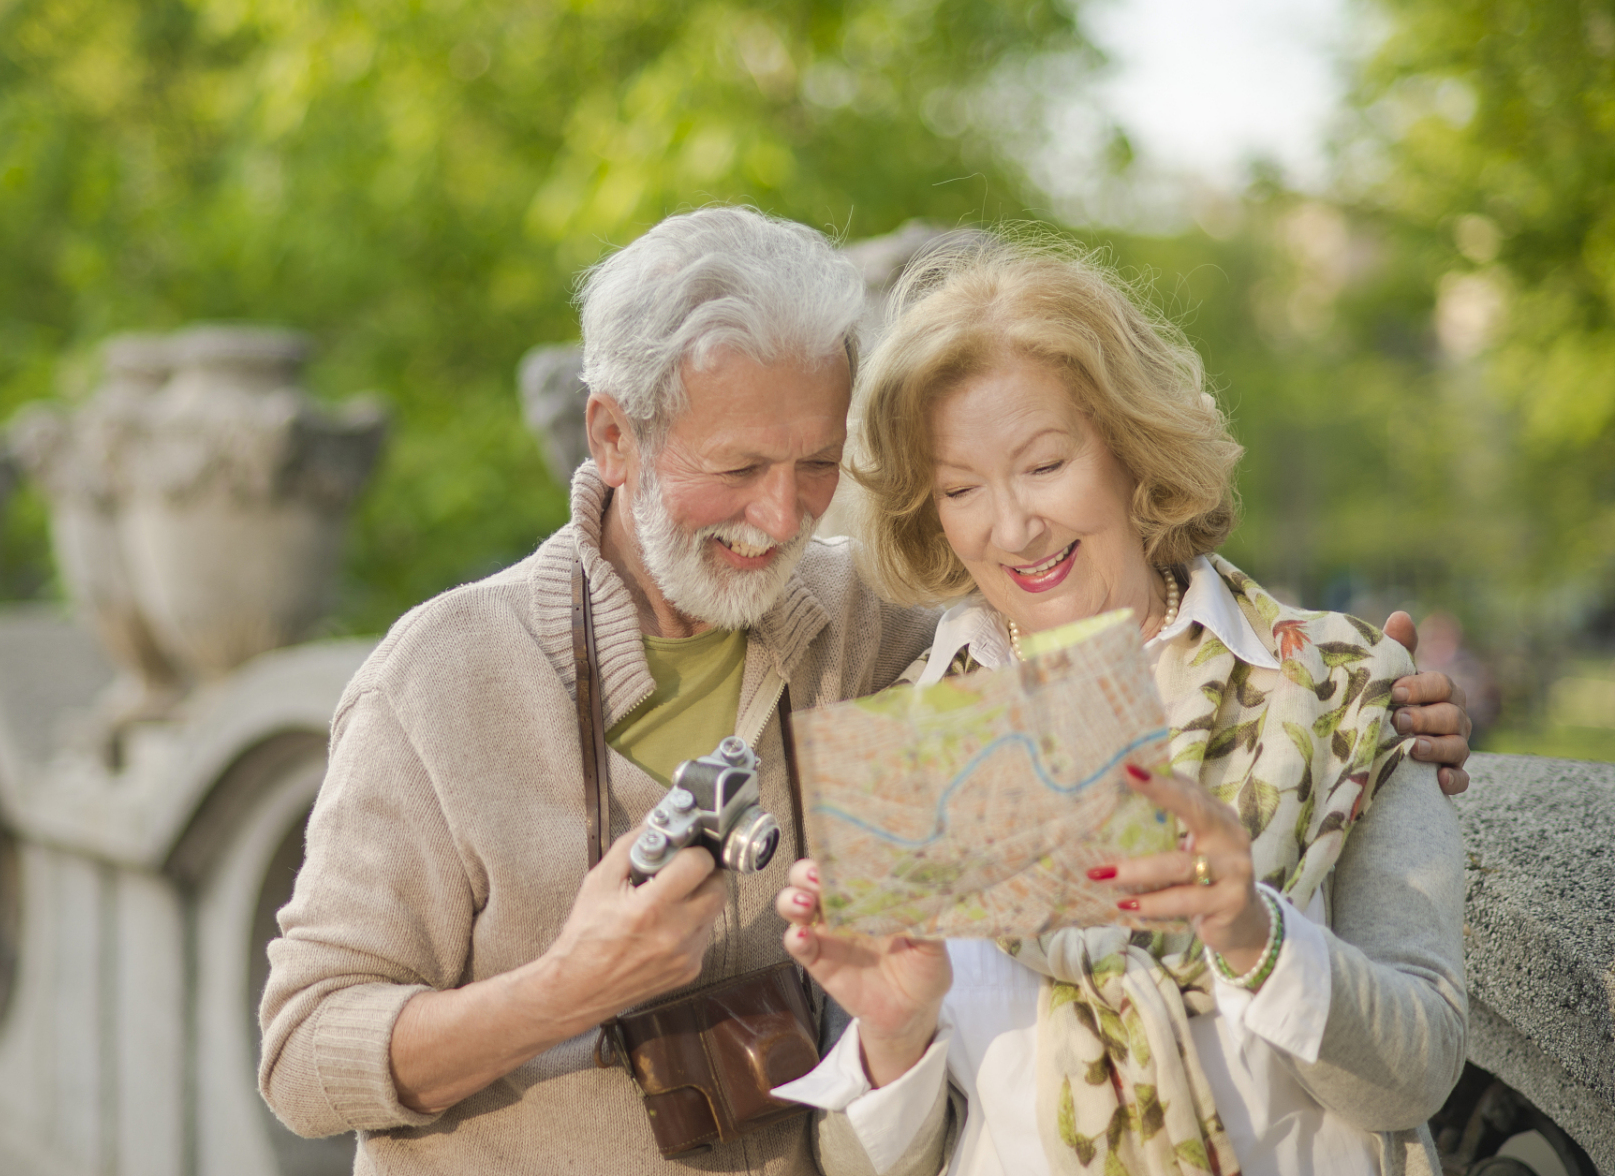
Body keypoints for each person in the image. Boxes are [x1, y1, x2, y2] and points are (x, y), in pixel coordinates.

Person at [257, 208, 1474, 1175]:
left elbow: (1148, 635)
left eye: (815, 467)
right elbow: (304, 1058)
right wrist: (561, 991)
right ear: (611, 437)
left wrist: (1378, 715)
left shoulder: (896, 646)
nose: (781, 518)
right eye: (734, 467)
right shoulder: (437, 679)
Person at [771, 233, 1468, 1176]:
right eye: (961, 488)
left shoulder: (1344, 691)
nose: (1013, 526)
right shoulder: (918, 739)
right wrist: (894, 1039)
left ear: (1132, 451)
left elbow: (1417, 1077)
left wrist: (1257, 938)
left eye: (1046, 465)